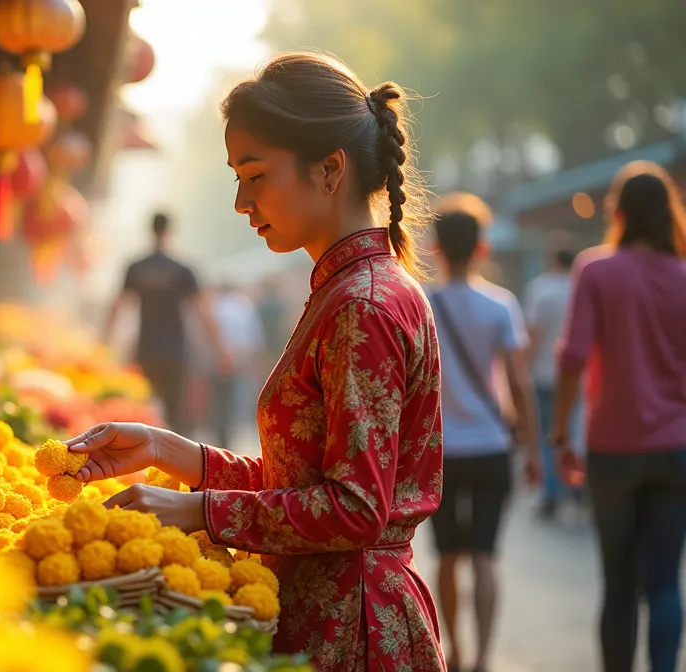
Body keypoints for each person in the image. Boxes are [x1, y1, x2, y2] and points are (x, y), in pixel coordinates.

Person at [73, 52, 444, 670]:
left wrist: (198, 510)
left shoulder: (363, 304)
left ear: (329, 170)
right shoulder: (349, 290)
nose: (243, 202)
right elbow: (303, 483)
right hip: (330, 611)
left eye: (255, 175)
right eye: (236, 178)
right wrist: (171, 452)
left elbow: (353, 509)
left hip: (351, 630)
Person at [552, 161, 686, 672]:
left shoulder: (596, 268)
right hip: (676, 449)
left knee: (619, 583)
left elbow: (572, 357)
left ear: (619, 212)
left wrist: (561, 431)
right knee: (665, 582)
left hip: (613, 449)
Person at [424, 193, 541, 672]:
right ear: (482, 248)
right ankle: (486, 657)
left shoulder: (422, 304)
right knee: (486, 557)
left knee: (449, 557)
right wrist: (533, 449)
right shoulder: (501, 305)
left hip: (441, 452)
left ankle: (455, 650)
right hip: (491, 447)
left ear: (435, 248)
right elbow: (519, 383)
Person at [103, 213, 232, 437]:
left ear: (151, 230)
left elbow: (117, 307)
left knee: (143, 412)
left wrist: (104, 344)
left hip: (146, 350)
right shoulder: (182, 269)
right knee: (176, 417)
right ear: (170, 231)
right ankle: (174, 466)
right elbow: (204, 312)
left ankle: (144, 462)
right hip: (176, 352)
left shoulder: (137, 268)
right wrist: (221, 350)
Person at [522, 239, 581, 517]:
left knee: (550, 431)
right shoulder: (579, 287)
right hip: (579, 374)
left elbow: (533, 334)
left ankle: (552, 492)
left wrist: (526, 366)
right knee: (575, 428)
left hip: (546, 373)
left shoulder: (540, 289)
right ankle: (578, 484)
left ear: (553, 260)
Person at [208, 282, 265, 449]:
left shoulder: (213, 305)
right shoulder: (242, 305)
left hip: (215, 360)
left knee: (219, 401)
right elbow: (254, 337)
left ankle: (221, 436)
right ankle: (233, 432)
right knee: (236, 399)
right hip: (240, 359)